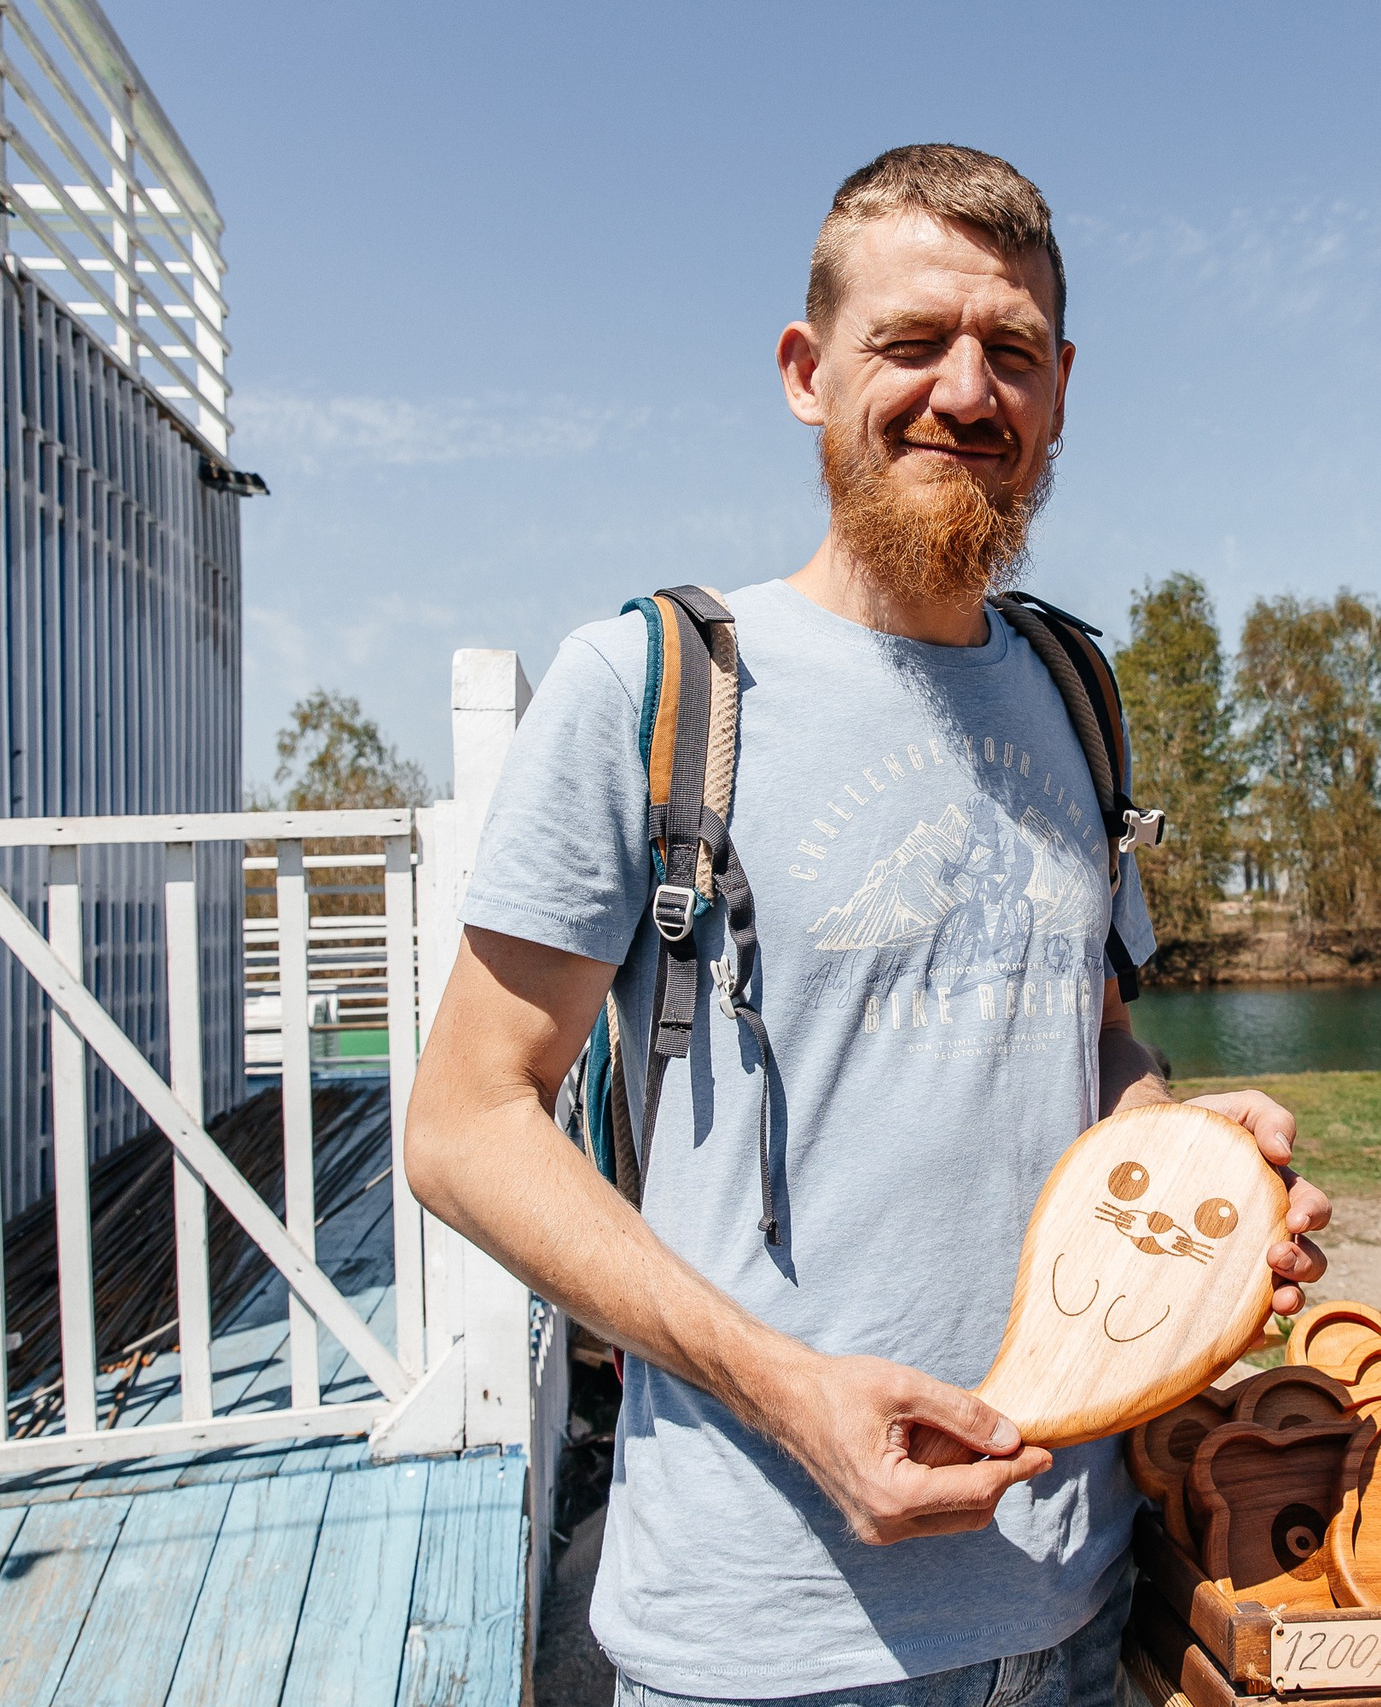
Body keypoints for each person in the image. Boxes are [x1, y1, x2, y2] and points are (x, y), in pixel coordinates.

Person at [404, 143, 1332, 1707]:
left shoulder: (1076, 698)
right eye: (912, 344)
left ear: (1059, 389)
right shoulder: (652, 687)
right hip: (767, 1647)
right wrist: (787, 1390)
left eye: (1012, 353)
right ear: (806, 369)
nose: (967, 393)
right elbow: (463, 1124)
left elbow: (1087, 1046)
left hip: (1077, 1616)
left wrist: (1188, 1159)